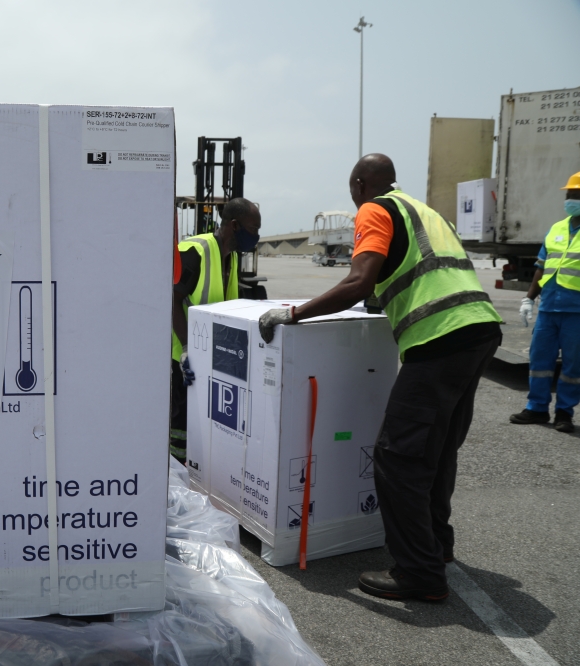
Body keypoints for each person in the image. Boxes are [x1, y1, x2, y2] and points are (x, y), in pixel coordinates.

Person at [258, 154, 502, 602]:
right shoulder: (422, 210)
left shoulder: (374, 209)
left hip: (439, 338)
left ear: (359, 183)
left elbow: (359, 280)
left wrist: (293, 313)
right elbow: (416, 272)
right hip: (478, 331)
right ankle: (438, 546)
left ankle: (419, 573)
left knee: (398, 458)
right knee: (437, 447)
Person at [171, 198, 261, 462]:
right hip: (182, 359)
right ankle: (176, 479)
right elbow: (172, 300)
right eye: (254, 228)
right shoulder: (195, 251)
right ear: (235, 225)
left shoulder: (230, 259)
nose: (256, 235)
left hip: (209, 360)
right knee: (181, 425)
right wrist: (187, 350)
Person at [511, 172, 580, 433]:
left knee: (573, 366)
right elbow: (541, 267)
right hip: (549, 307)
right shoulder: (557, 228)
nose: (571, 199)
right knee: (539, 359)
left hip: (577, 310)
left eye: (576, 195)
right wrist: (528, 299)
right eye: (569, 195)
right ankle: (537, 408)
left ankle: (564, 412)